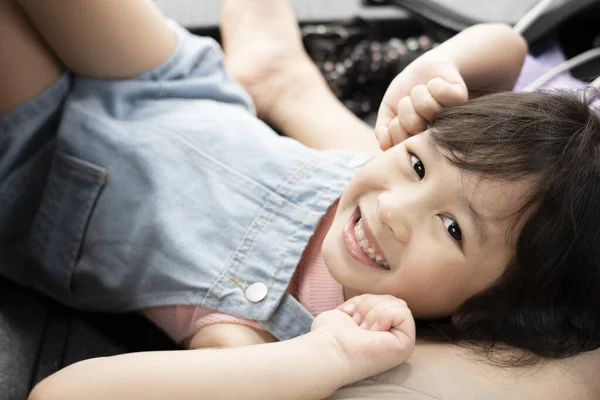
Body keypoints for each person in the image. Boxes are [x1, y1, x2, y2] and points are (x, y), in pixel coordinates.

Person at [0, 0, 597, 399]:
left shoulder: (273, 339)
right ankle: (274, 72)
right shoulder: (384, 171)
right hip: (169, 83)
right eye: (418, 165)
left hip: (41, 170)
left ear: (477, 314)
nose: (394, 209)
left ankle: (277, 68)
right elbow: (506, 50)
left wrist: (328, 356)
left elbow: (63, 394)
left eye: (451, 228)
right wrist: (440, 67)